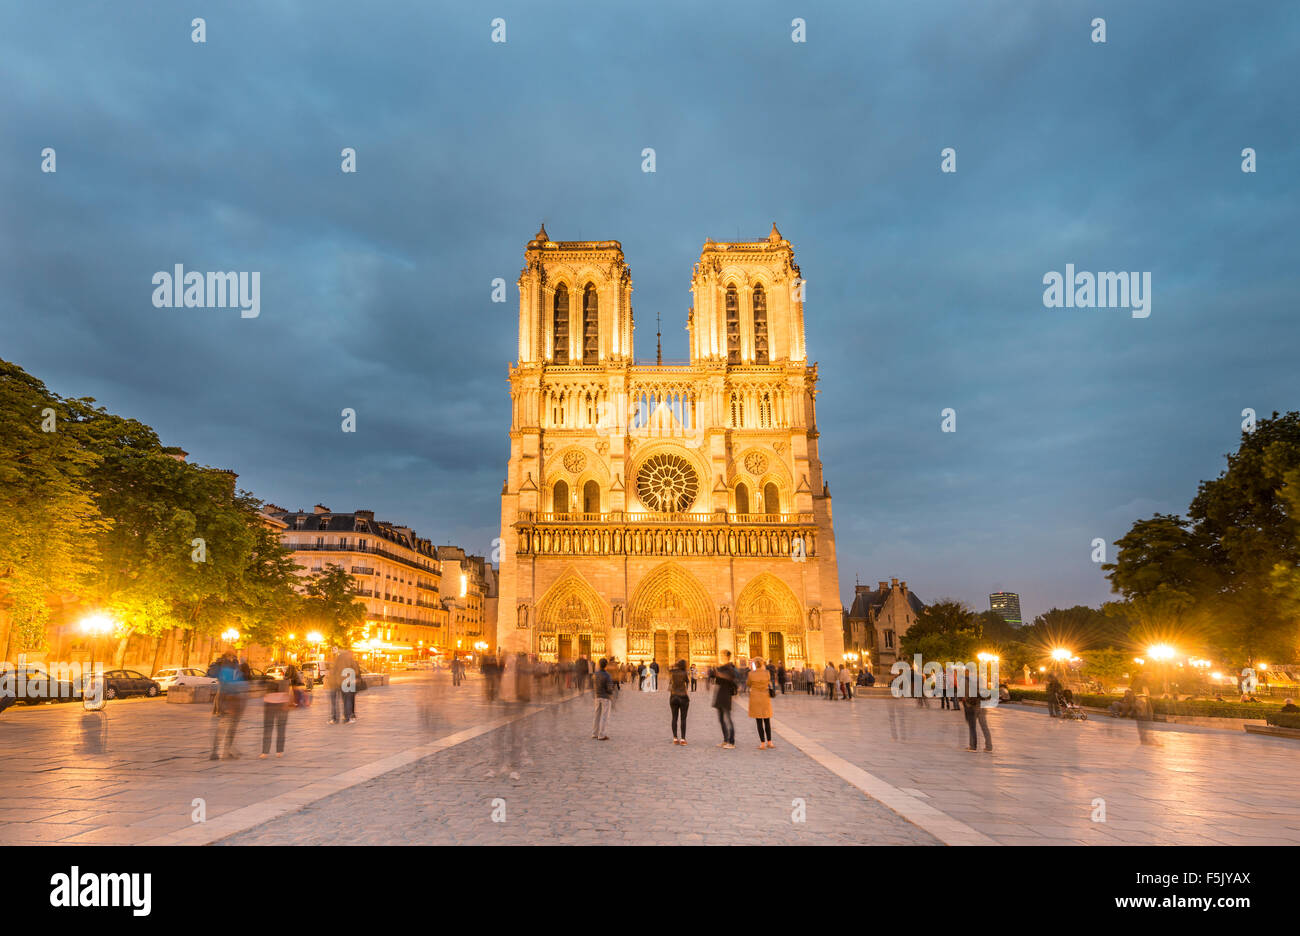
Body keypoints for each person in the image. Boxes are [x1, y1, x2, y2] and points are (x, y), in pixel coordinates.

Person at [208, 654, 246, 760]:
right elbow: (237, 684)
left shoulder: (220, 667)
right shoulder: (232, 669)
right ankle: (227, 751)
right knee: (231, 727)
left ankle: (215, 751)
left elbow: (211, 674)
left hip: (221, 700)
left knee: (221, 727)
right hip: (231, 699)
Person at [260, 664, 301, 758]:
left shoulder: (271, 680)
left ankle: (265, 752)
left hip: (270, 704)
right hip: (281, 704)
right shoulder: (287, 681)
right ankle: (279, 751)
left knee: (268, 729)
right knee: (281, 729)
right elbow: (292, 692)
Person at [713, 650, 739, 749]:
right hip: (720, 695)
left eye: (723, 655)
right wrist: (715, 673)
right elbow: (718, 681)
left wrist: (719, 674)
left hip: (726, 696)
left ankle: (731, 742)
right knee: (721, 719)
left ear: (727, 656)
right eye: (721, 655)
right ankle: (725, 740)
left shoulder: (730, 668)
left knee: (728, 719)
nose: (721, 657)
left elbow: (730, 678)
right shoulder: (721, 668)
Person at [748, 657, 775, 749]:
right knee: (767, 721)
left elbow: (748, 684)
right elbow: (769, 682)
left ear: (754, 664)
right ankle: (770, 742)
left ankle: (762, 743)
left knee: (759, 722)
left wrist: (752, 671)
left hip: (755, 699)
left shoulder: (751, 674)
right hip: (765, 698)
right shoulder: (767, 673)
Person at [962, 675, 993, 753]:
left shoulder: (966, 680)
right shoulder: (981, 680)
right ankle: (989, 747)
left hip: (972, 706)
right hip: (982, 705)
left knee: (972, 727)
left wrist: (966, 702)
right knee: (984, 726)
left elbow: (966, 694)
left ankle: (972, 746)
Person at [668, 659, 690, 744]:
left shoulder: (672, 672)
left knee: (674, 718)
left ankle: (675, 738)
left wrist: (675, 665)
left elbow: (669, 668)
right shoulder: (684, 673)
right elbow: (687, 682)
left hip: (673, 696)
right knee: (683, 719)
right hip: (683, 697)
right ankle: (683, 739)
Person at [592, 658, 613, 740]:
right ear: (606, 665)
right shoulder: (607, 675)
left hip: (597, 696)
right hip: (605, 697)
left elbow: (593, 684)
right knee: (604, 716)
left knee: (596, 715)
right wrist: (610, 693)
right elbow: (609, 688)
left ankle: (594, 733)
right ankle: (601, 734)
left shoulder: (595, 674)